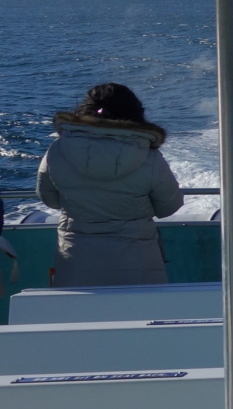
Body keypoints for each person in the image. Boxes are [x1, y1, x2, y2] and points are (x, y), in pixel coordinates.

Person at [36, 82, 184, 286]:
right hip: (139, 261)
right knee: (142, 316)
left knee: (79, 316)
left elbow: (50, 200)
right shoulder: (150, 157)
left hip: (75, 259)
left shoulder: (57, 150)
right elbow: (169, 207)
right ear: (134, 113)